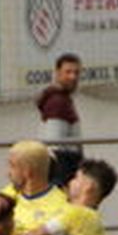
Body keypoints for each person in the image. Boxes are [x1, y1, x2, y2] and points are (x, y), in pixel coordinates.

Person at [36, 53, 84, 188]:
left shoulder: (64, 100)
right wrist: (62, 183)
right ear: (57, 73)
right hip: (62, 174)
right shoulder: (57, 103)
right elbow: (54, 145)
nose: (73, 77)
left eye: (76, 72)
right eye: (68, 72)